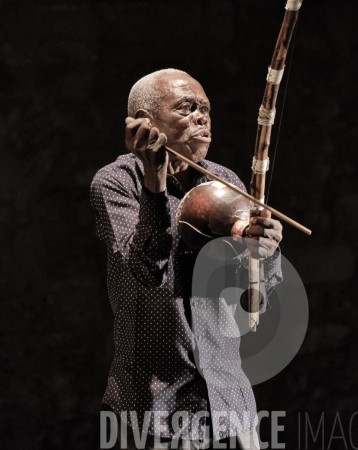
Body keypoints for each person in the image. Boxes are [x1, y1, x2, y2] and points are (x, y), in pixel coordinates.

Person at [90, 68, 283, 450]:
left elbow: (253, 299)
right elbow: (147, 268)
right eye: (186, 107)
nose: (202, 117)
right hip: (153, 408)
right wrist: (155, 181)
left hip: (229, 403)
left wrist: (267, 254)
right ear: (146, 122)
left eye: (206, 110)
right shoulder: (115, 182)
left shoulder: (224, 183)